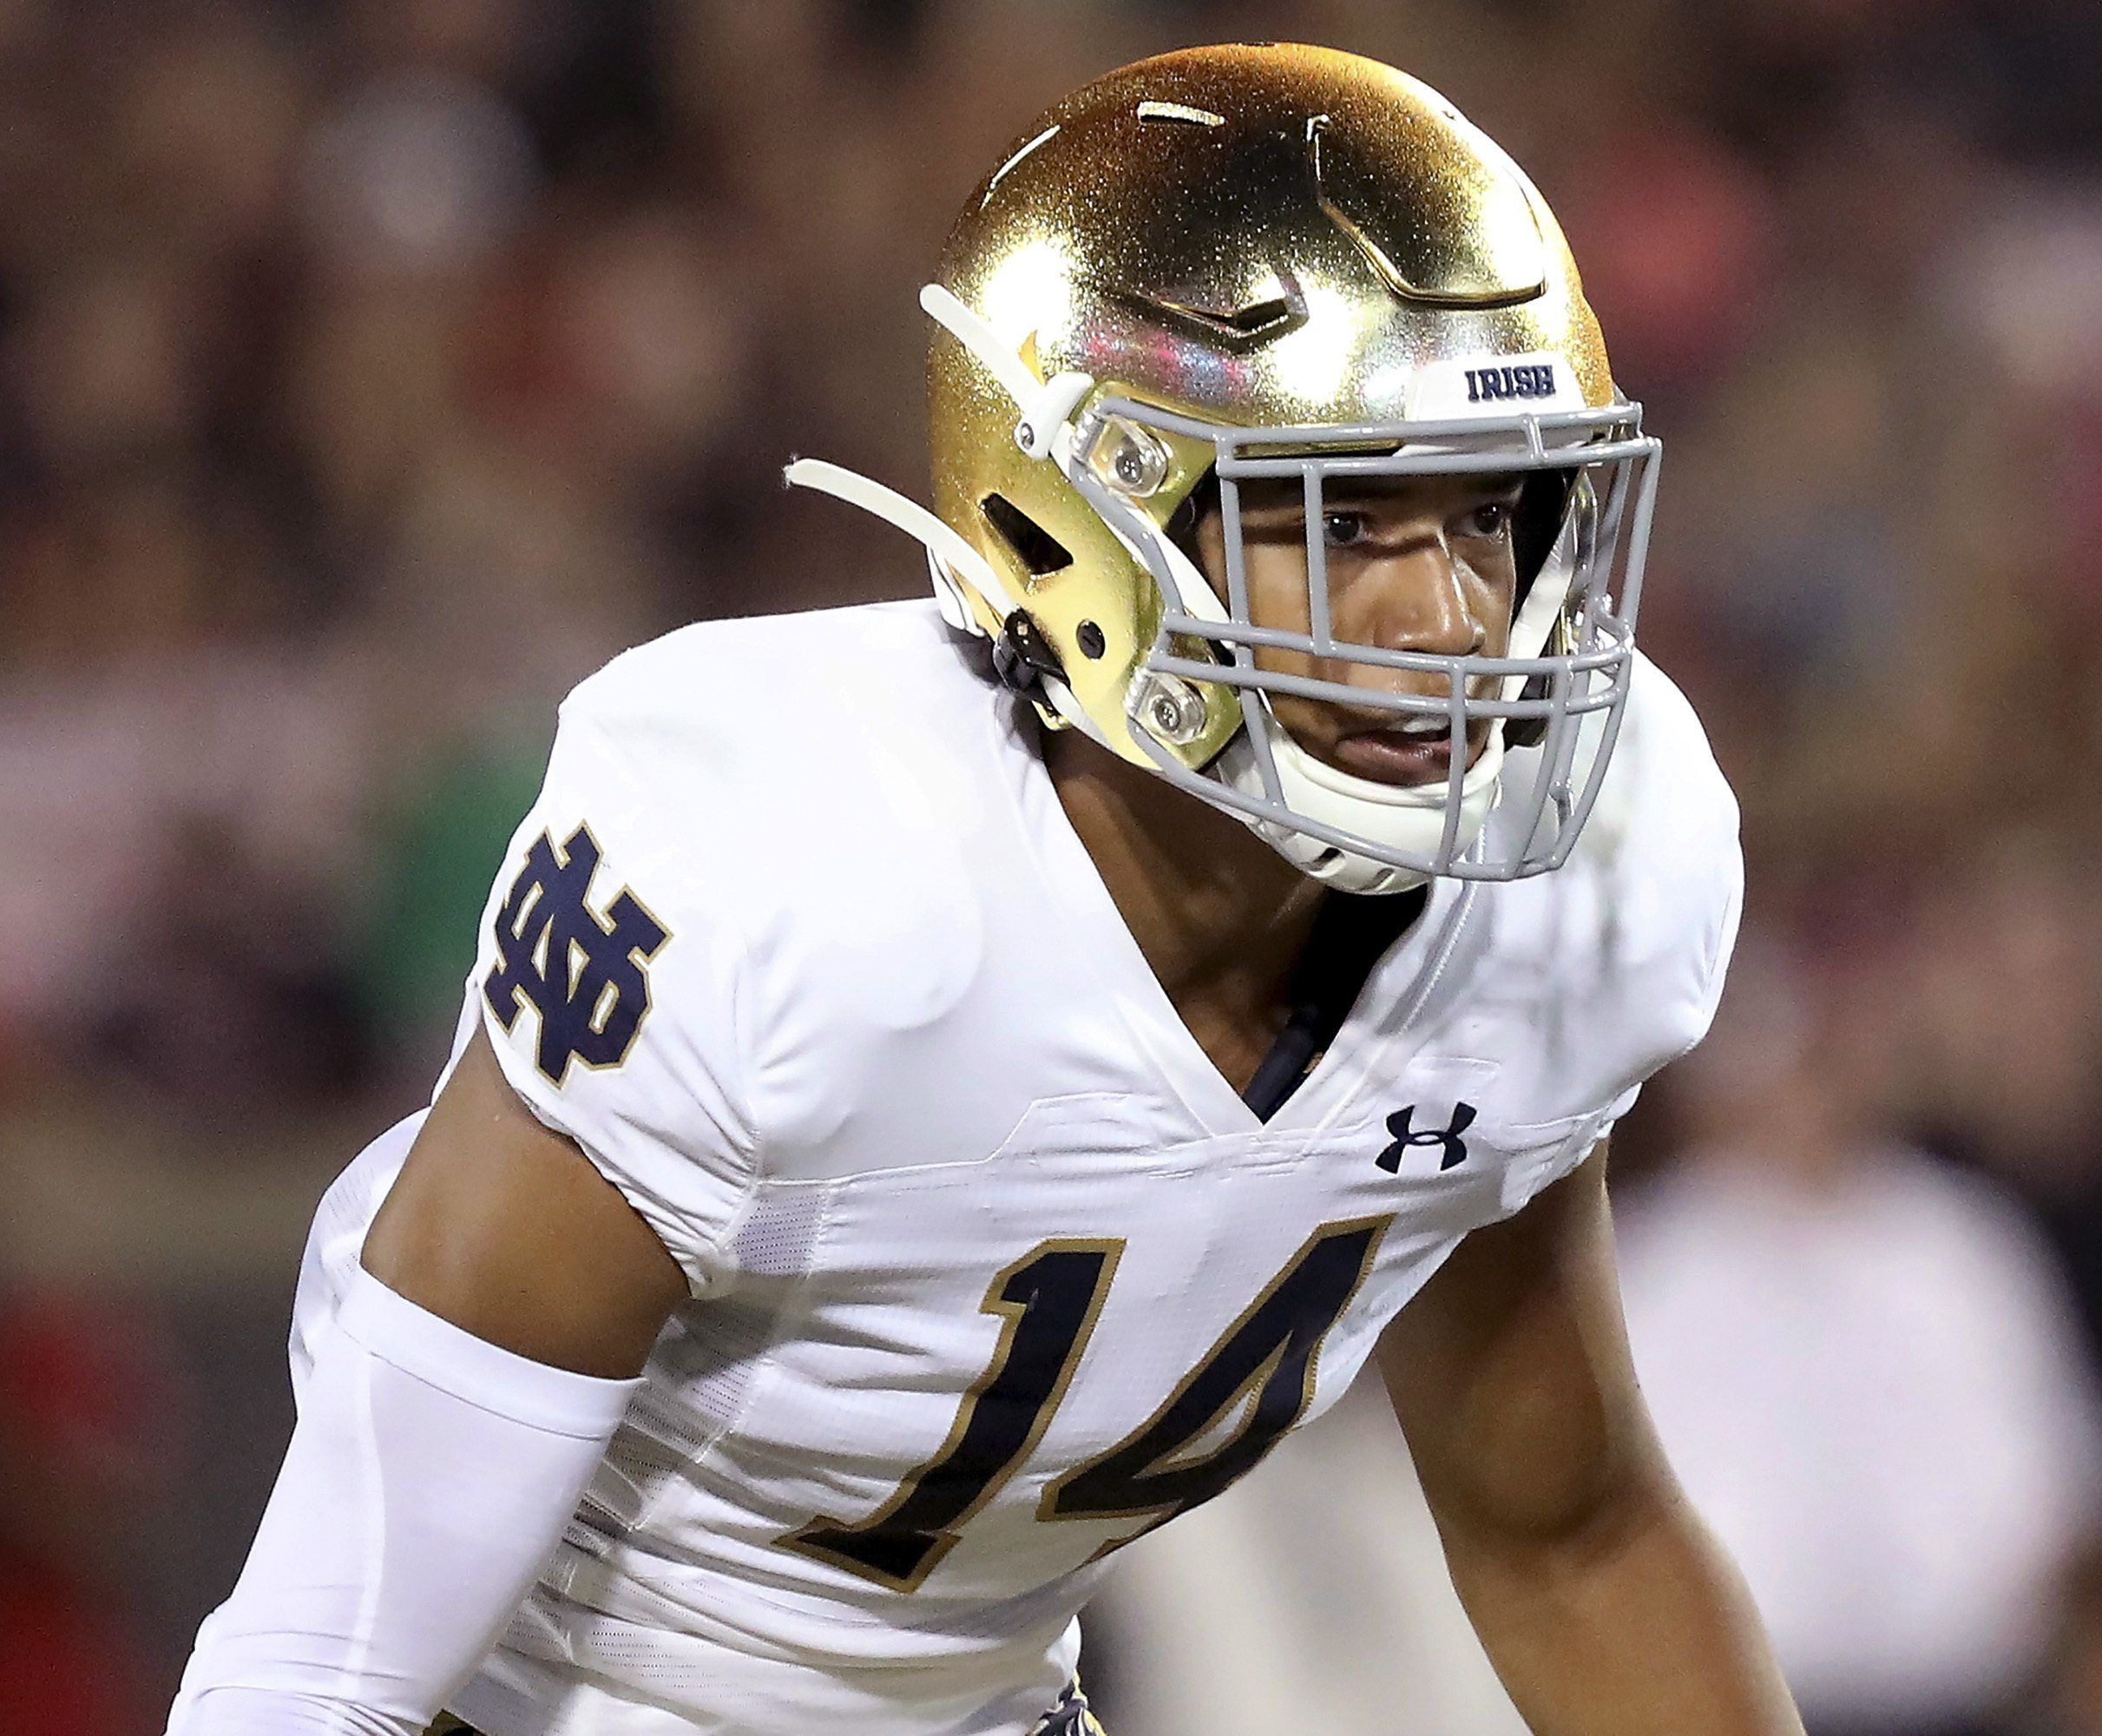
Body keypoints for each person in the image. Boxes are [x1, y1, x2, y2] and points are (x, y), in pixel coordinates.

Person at [168, 43, 1796, 1736]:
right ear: (1080, 513)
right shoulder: (782, 860)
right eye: (1355, 524)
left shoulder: (1574, 880)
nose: (1450, 619)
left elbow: (1571, 1536)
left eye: (1494, 522)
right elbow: (327, 1661)